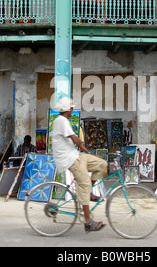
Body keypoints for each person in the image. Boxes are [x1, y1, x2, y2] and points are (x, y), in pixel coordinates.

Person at [52, 97, 107, 233]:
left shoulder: (64, 121)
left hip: (76, 155)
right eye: (71, 108)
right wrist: (80, 142)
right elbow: (76, 140)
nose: (72, 110)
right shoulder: (61, 121)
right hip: (70, 159)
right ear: (67, 110)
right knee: (85, 184)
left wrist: (90, 154)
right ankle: (88, 221)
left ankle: (87, 194)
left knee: (101, 164)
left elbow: (77, 142)